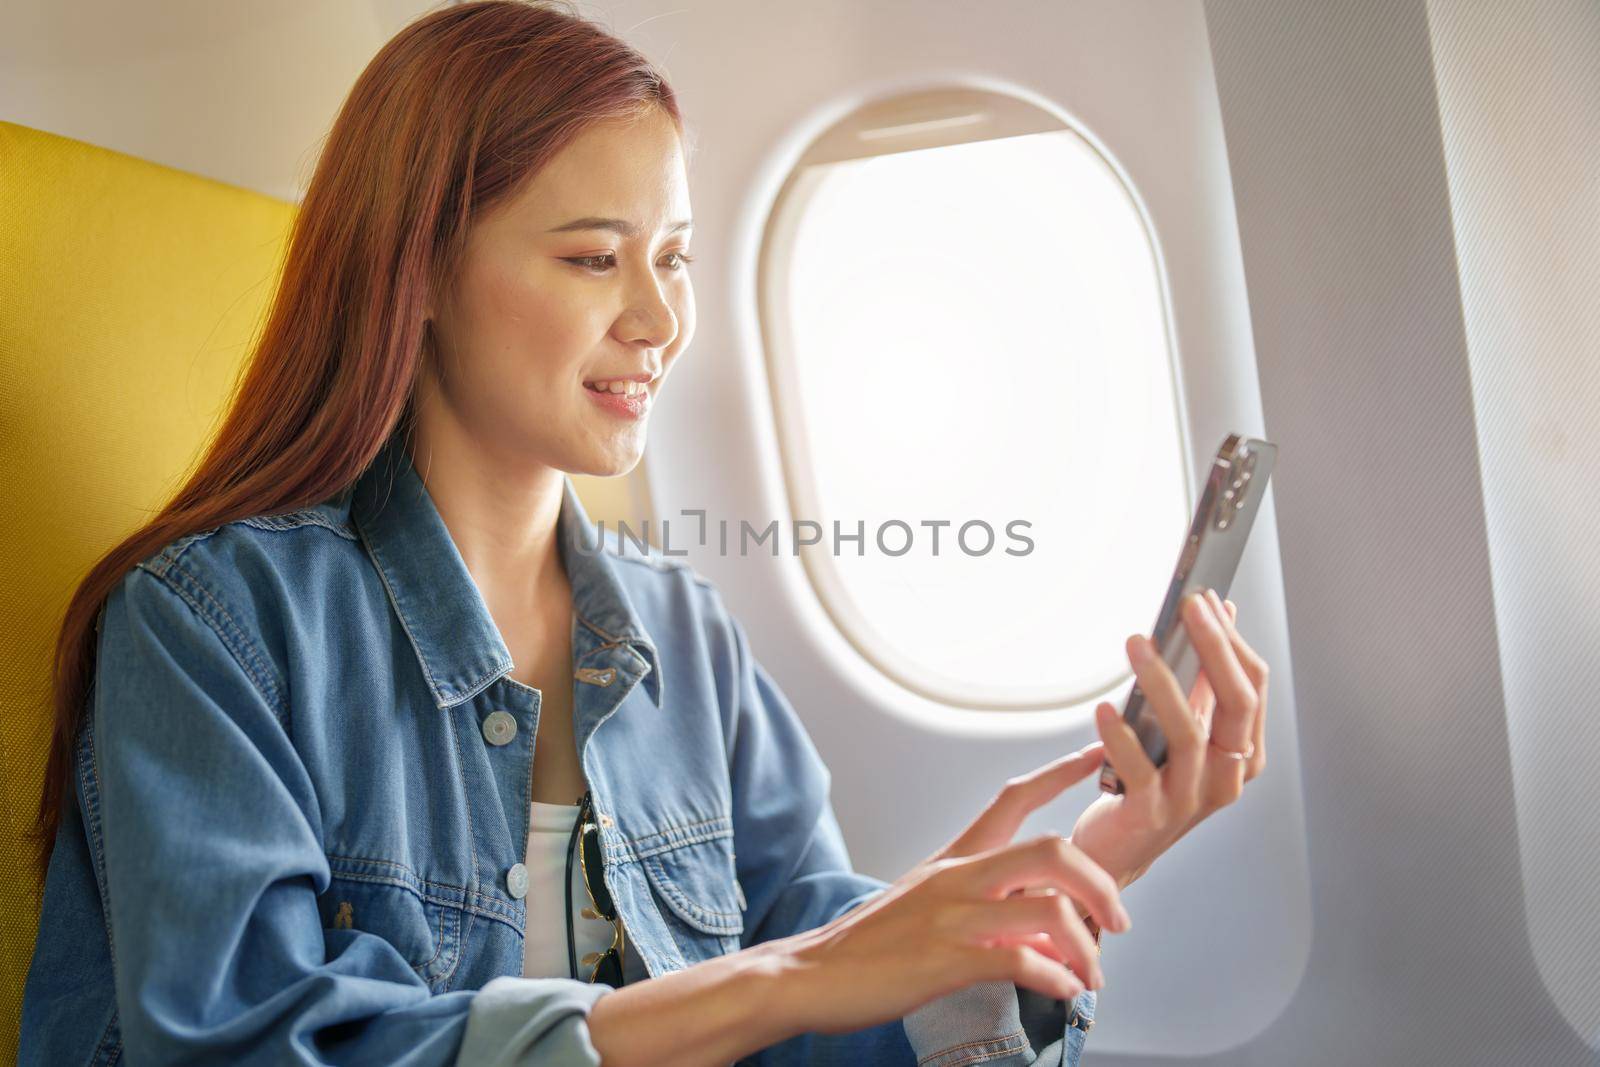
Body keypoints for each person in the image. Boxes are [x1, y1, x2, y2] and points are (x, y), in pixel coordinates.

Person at [19, 3, 1271, 1064]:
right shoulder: (214, 625)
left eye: (673, 256)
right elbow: (241, 1035)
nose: (661, 318)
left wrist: (1074, 872)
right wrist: (781, 981)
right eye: (591, 259)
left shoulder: (683, 633)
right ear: (424, 274)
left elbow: (820, 1007)